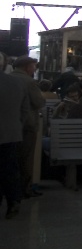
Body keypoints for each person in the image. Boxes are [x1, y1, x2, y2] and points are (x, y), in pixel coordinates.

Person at [10, 56, 44, 199]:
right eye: (33, 66)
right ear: (27, 67)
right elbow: (38, 102)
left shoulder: (7, 78)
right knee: (26, 158)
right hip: (28, 125)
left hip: (9, 125)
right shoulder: (29, 82)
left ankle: (9, 189)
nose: (35, 69)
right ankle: (25, 189)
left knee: (11, 158)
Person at [0, 61, 30, 219]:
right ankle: (13, 201)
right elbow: (25, 110)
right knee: (10, 168)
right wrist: (16, 125)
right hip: (11, 133)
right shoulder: (17, 83)